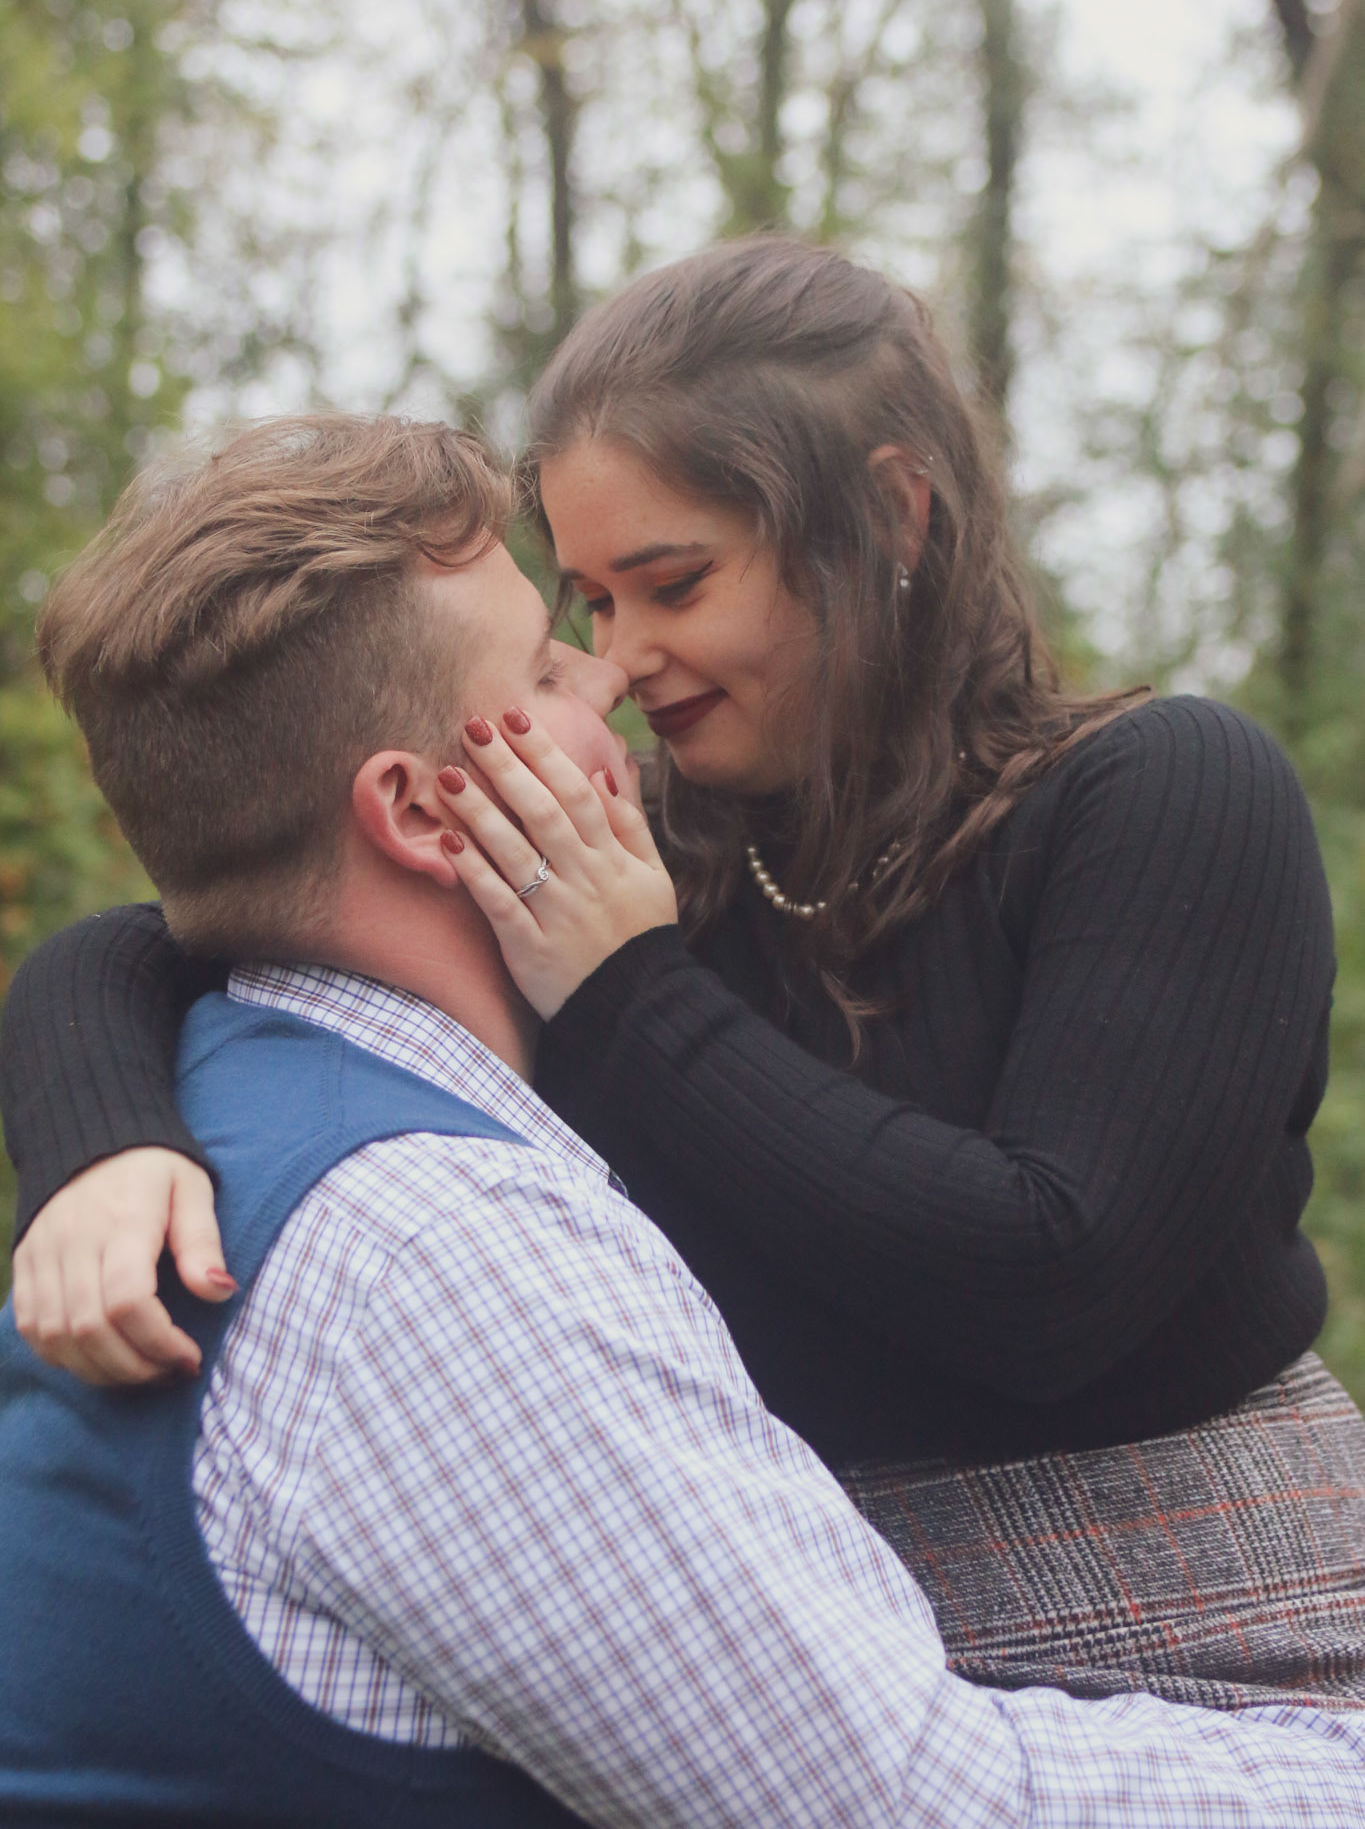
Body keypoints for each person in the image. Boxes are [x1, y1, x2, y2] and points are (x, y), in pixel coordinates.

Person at [5, 238, 1364, 1712]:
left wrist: (629, 994)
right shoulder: (642, 846)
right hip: (787, 1610)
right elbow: (196, 914)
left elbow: (1053, 1287)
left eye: (673, 584)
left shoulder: (1161, 797)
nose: (622, 660)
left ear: (890, 513)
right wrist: (101, 1141)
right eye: (591, 601)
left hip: (1218, 1594)